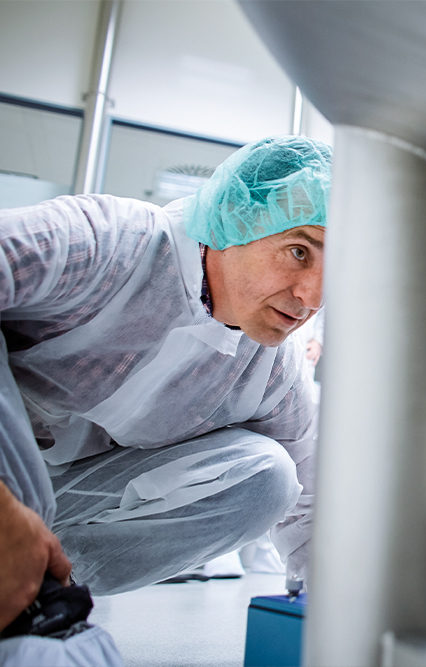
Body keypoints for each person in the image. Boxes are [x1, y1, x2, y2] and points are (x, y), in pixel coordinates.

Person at [0, 135, 329, 665]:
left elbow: (311, 501)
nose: (312, 296)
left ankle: (37, 592)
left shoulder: (272, 369)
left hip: (61, 507)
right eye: (299, 251)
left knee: (270, 476)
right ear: (236, 221)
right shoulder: (107, 242)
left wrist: (348, 620)